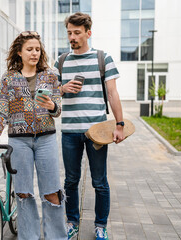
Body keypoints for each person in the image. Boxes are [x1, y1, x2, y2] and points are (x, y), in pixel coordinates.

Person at [0, 31, 67, 240]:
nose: (34, 53)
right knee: (23, 193)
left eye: (37, 49)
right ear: (19, 52)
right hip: (19, 141)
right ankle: (29, 237)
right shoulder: (9, 78)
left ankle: (57, 237)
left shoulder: (50, 75)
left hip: (46, 139)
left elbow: (57, 110)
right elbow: (1, 109)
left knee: (52, 192)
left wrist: (52, 105)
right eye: (29, 49)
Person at [54, 12, 125, 240]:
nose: (72, 37)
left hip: (97, 133)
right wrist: (63, 89)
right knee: (70, 181)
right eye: (69, 33)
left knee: (99, 182)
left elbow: (113, 94)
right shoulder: (61, 61)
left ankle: (101, 225)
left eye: (77, 33)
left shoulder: (103, 59)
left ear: (88, 33)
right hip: (69, 133)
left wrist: (120, 124)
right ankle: (72, 222)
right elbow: (50, 95)